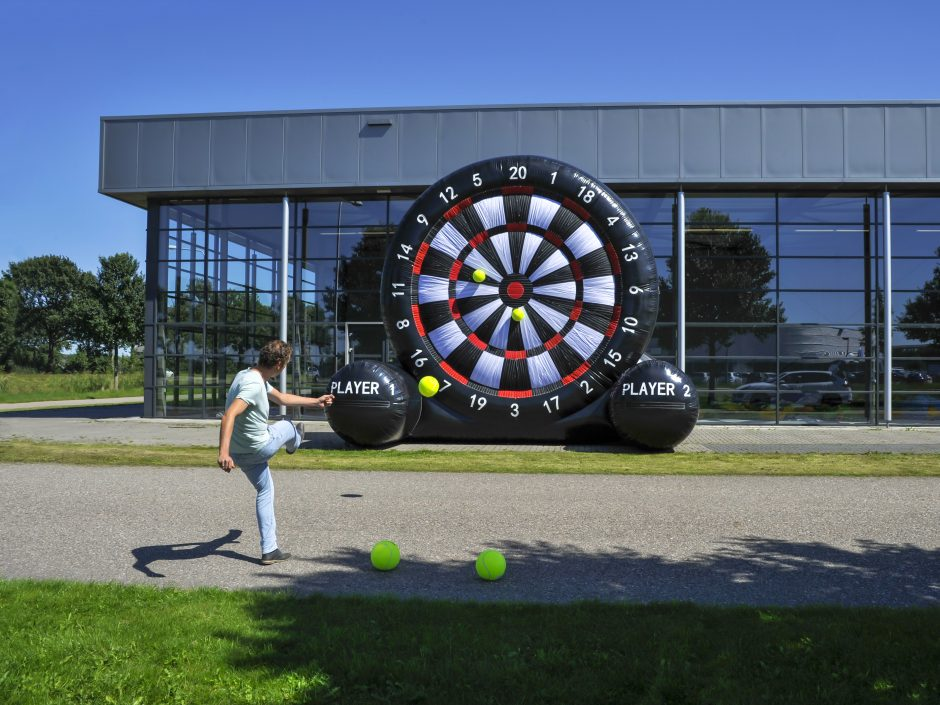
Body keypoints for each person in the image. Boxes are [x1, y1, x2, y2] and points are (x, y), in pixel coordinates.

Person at [218, 339, 334, 565]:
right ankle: (295, 441)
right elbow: (229, 415)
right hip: (259, 446)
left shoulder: (248, 375)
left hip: (242, 453)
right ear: (279, 364)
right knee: (289, 425)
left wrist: (316, 401)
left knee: (265, 490)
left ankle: (269, 550)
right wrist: (223, 453)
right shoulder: (253, 384)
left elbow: (281, 398)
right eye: (287, 364)